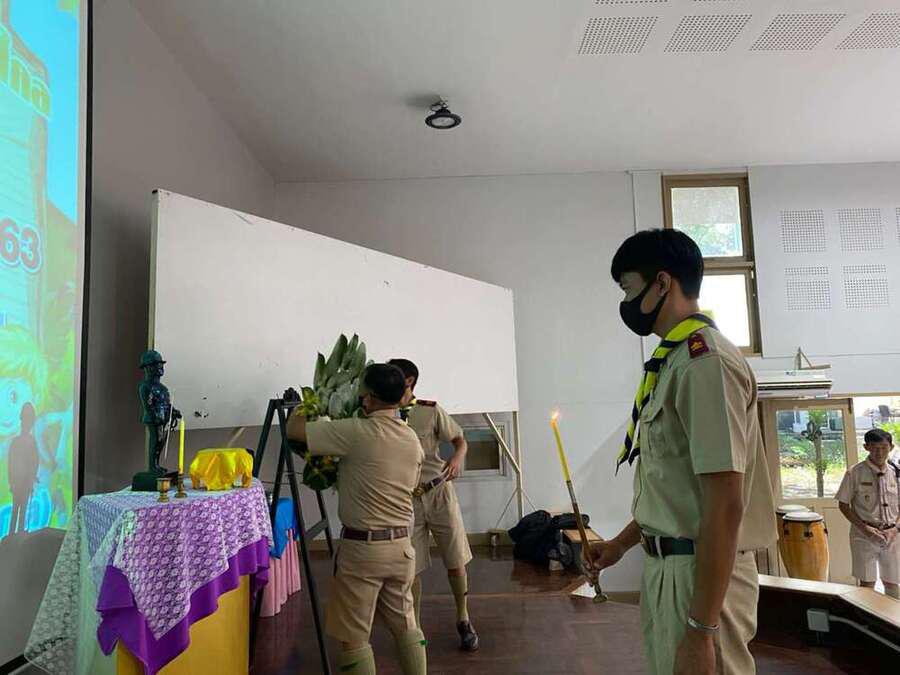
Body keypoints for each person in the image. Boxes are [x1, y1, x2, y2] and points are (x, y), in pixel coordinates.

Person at [585, 229, 777, 675]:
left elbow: (725, 504)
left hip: (700, 576)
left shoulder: (704, 362)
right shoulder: (671, 362)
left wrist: (701, 630)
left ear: (662, 283)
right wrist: (620, 545)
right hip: (670, 568)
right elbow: (677, 485)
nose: (626, 302)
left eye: (628, 288)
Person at [287, 363, 427, 674]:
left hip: (363, 552)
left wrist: (302, 406)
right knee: (406, 626)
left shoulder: (354, 431)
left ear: (368, 398)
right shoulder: (411, 438)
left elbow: (294, 430)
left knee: (354, 637)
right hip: (402, 549)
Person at [388, 358, 479, 652]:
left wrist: (456, 458)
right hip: (407, 500)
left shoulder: (429, 410)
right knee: (410, 568)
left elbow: (460, 440)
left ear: (409, 381)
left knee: (455, 559)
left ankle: (463, 618)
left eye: (395, 376)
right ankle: (414, 628)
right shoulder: (384, 414)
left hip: (439, 493)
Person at [836, 428, 900, 599]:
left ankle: (893, 616)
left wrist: (895, 530)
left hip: (892, 535)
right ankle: (866, 616)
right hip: (864, 535)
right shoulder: (855, 473)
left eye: (884, 447)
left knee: (893, 583)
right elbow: (843, 504)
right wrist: (865, 529)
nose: (879, 452)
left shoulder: (896, 473)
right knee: (867, 584)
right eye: (874, 447)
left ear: (891, 447)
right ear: (866, 447)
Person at [8, 403, 39, 533]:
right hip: (20, 483)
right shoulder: (17, 442)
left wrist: (32, 478)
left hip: (23, 483)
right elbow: (11, 463)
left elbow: (34, 462)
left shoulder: (28, 442)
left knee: (19, 513)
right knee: (17, 512)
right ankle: (14, 538)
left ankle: (15, 538)